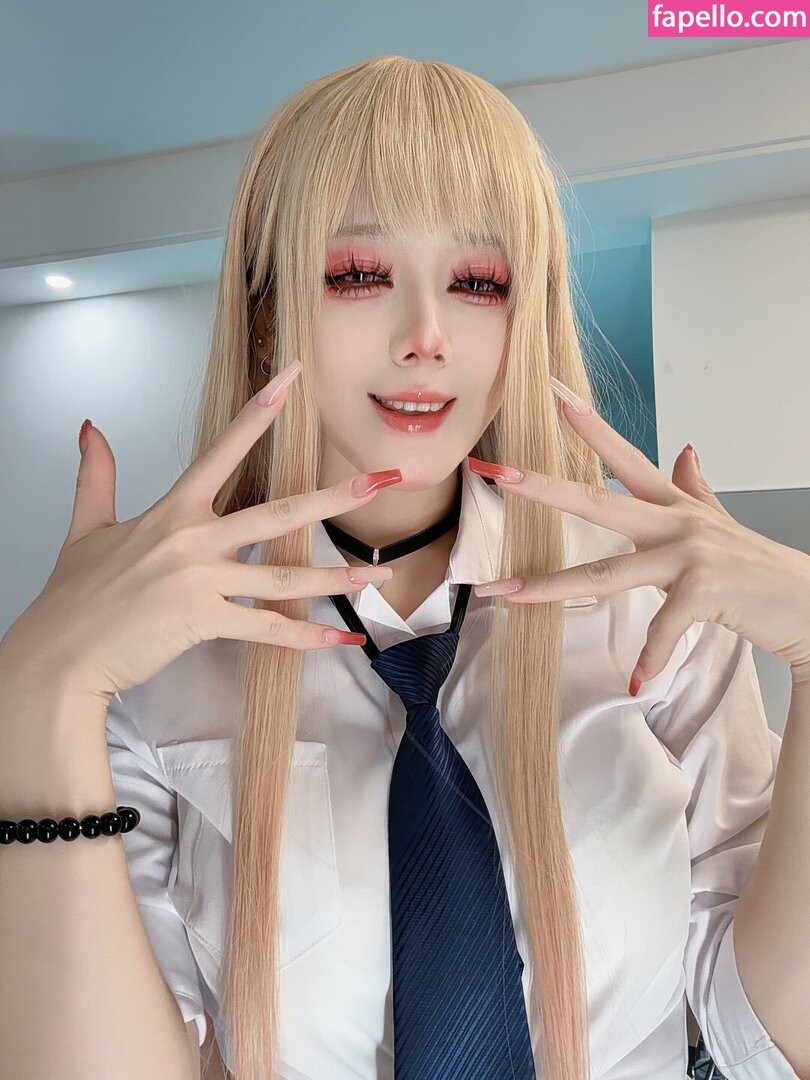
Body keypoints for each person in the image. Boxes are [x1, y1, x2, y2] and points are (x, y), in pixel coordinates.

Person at [0, 55, 799, 1080]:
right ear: (265, 317)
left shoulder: (651, 606)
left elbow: (767, 1039)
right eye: (357, 275)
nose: (426, 337)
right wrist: (39, 688)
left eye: (477, 283)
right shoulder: (158, 662)